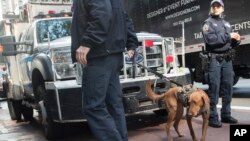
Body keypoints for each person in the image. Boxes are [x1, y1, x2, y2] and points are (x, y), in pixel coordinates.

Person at [71, 0, 138, 141]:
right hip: (112, 55)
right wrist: (131, 42)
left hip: (99, 55)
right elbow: (124, 17)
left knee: (93, 106)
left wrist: (87, 42)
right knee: (114, 105)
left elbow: (102, 13)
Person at [202, 0, 241, 128]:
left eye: (218, 6)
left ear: (222, 8)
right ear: (211, 8)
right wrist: (229, 36)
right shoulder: (208, 23)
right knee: (214, 88)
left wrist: (236, 40)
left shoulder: (227, 24)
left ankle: (226, 114)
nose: (216, 8)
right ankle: (212, 117)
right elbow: (211, 40)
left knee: (228, 87)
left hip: (227, 60)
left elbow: (230, 43)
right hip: (214, 60)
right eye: (213, 6)